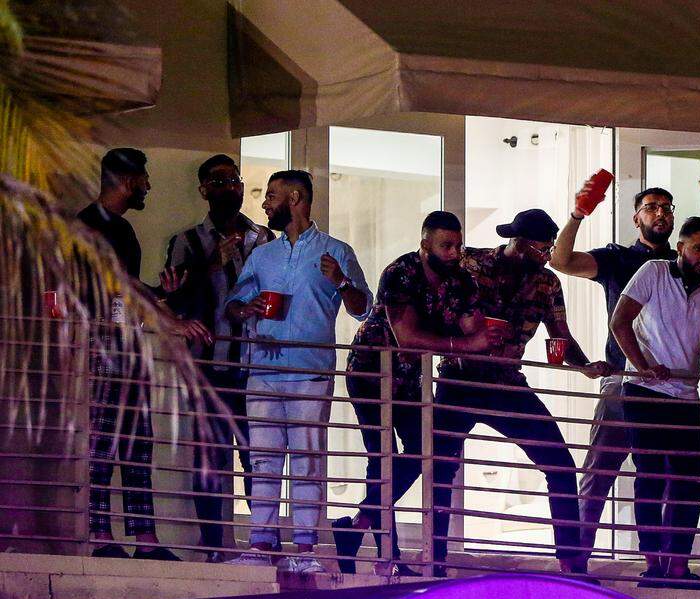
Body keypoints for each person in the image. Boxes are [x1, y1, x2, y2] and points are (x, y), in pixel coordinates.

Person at [550, 160, 700, 570]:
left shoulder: (692, 267)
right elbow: (561, 261)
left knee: (673, 478)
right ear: (636, 217)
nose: (661, 212)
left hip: (674, 390)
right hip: (624, 381)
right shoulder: (618, 259)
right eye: (652, 206)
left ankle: (669, 565)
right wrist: (579, 212)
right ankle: (575, 562)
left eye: (667, 207)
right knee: (601, 472)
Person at [432, 208, 609, 575]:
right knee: (440, 466)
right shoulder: (470, 263)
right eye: (541, 249)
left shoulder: (546, 283)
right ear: (518, 242)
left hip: (507, 383)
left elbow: (560, 334)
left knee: (559, 464)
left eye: (548, 250)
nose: (546, 257)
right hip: (459, 378)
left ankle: (571, 563)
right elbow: (437, 304)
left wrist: (585, 366)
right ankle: (434, 558)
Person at [223, 170, 372, 573]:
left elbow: (363, 308)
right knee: (264, 462)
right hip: (263, 372)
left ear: (295, 196)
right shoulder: (262, 255)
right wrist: (245, 309)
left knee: (306, 462)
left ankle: (305, 551)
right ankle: (261, 545)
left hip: (309, 374)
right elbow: (233, 305)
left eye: (271, 196)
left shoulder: (336, 251)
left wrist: (340, 281)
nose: (265, 204)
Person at [339, 211, 502, 575]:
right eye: (446, 245)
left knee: (425, 450)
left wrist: (482, 337)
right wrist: (465, 342)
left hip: (412, 379)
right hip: (371, 371)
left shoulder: (462, 281)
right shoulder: (401, 272)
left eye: (458, 245)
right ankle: (388, 556)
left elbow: (471, 329)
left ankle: (358, 525)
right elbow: (406, 336)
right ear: (425, 243)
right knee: (381, 457)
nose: (454, 253)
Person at [78, 148, 206, 561]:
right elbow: (116, 285)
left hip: (129, 346)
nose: (148, 186)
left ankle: (144, 539)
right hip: (99, 347)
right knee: (101, 441)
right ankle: (98, 535)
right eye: (145, 179)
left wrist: (162, 296)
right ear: (129, 180)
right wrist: (168, 320)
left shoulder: (124, 231)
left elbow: (131, 288)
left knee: (137, 440)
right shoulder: (88, 225)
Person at [160, 154, 273, 563]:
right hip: (207, 367)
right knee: (210, 457)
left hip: (256, 369)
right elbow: (173, 300)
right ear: (204, 189)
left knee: (258, 457)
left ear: (242, 187)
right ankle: (213, 550)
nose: (228, 187)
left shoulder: (264, 239)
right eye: (218, 181)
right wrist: (214, 264)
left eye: (234, 180)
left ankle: (262, 544)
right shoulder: (186, 242)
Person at [610, 217, 700, 589]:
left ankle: (678, 566)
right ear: (680, 248)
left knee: (690, 483)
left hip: (685, 394)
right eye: (697, 248)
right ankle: (653, 564)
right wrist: (644, 367)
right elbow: (620, 322)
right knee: (649, 476)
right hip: (644, 392)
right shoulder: (653, 271)